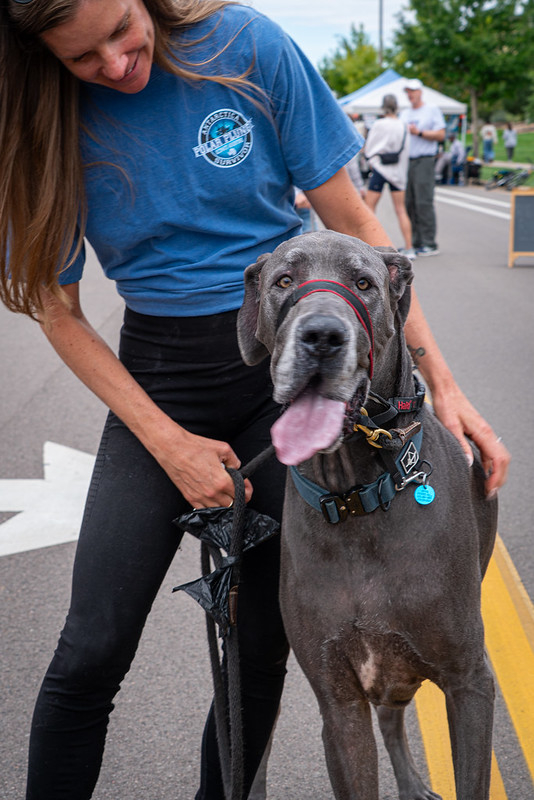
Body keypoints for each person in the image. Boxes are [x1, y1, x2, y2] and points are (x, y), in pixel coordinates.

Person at [0, 2, 509, 799]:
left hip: (285, 365)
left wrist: (441, 382)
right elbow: (58, 310)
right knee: (89, 649)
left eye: (120, 31)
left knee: (260, 650)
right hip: (158, 386)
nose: (114, 63)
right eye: (82, 58)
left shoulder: (246, 45)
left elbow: (355, 225)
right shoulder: (46, 119)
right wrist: (167, 442)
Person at [364, 94, 415, 259]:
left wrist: (371, 160)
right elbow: (407, 150)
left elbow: (370, 147)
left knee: (369, 207)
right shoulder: (403, 125)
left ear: (383, 107)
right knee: (401, 210)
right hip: (398, 171)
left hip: (380, 168)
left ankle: (368, 244)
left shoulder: (379, 124)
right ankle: (409, 247)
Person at [400, 78, 446, 257]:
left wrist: (419, 132)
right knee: (408, 202)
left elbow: (441, 134)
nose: (410, 95)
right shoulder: (405, 113)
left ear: (420, 92)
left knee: (423, 202)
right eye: (408, 92)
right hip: (407, 161)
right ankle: (414, 242)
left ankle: (429, 242)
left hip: (424, 160)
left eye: (413, 91)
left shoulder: (431, 110)